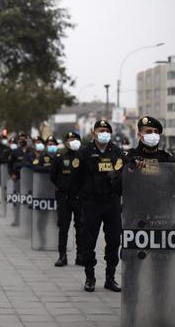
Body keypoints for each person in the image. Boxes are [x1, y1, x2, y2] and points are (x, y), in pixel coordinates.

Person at [72, 120, 124, 293]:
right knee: (88, 241)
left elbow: (124, 176)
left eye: (107, 130)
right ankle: (90, 277)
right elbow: (76, 179)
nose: (104, 133)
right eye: (101, 130)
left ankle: (110, 278)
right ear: (93, 133)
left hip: (112, 203)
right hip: (91, 203)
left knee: (114, 241)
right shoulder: (84, 152)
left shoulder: (117, 152)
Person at [50, 132, 83, 267]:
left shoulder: (83, 157)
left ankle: (80, 255)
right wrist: (62, 186)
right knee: (63, 227)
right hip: (64, 197)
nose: (72, 141)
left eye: (75, 139)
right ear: (66, 142)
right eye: (70, 139)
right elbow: (53, 175)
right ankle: (62, 255)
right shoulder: (60, 157)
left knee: (80, 227)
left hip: (79, 197)